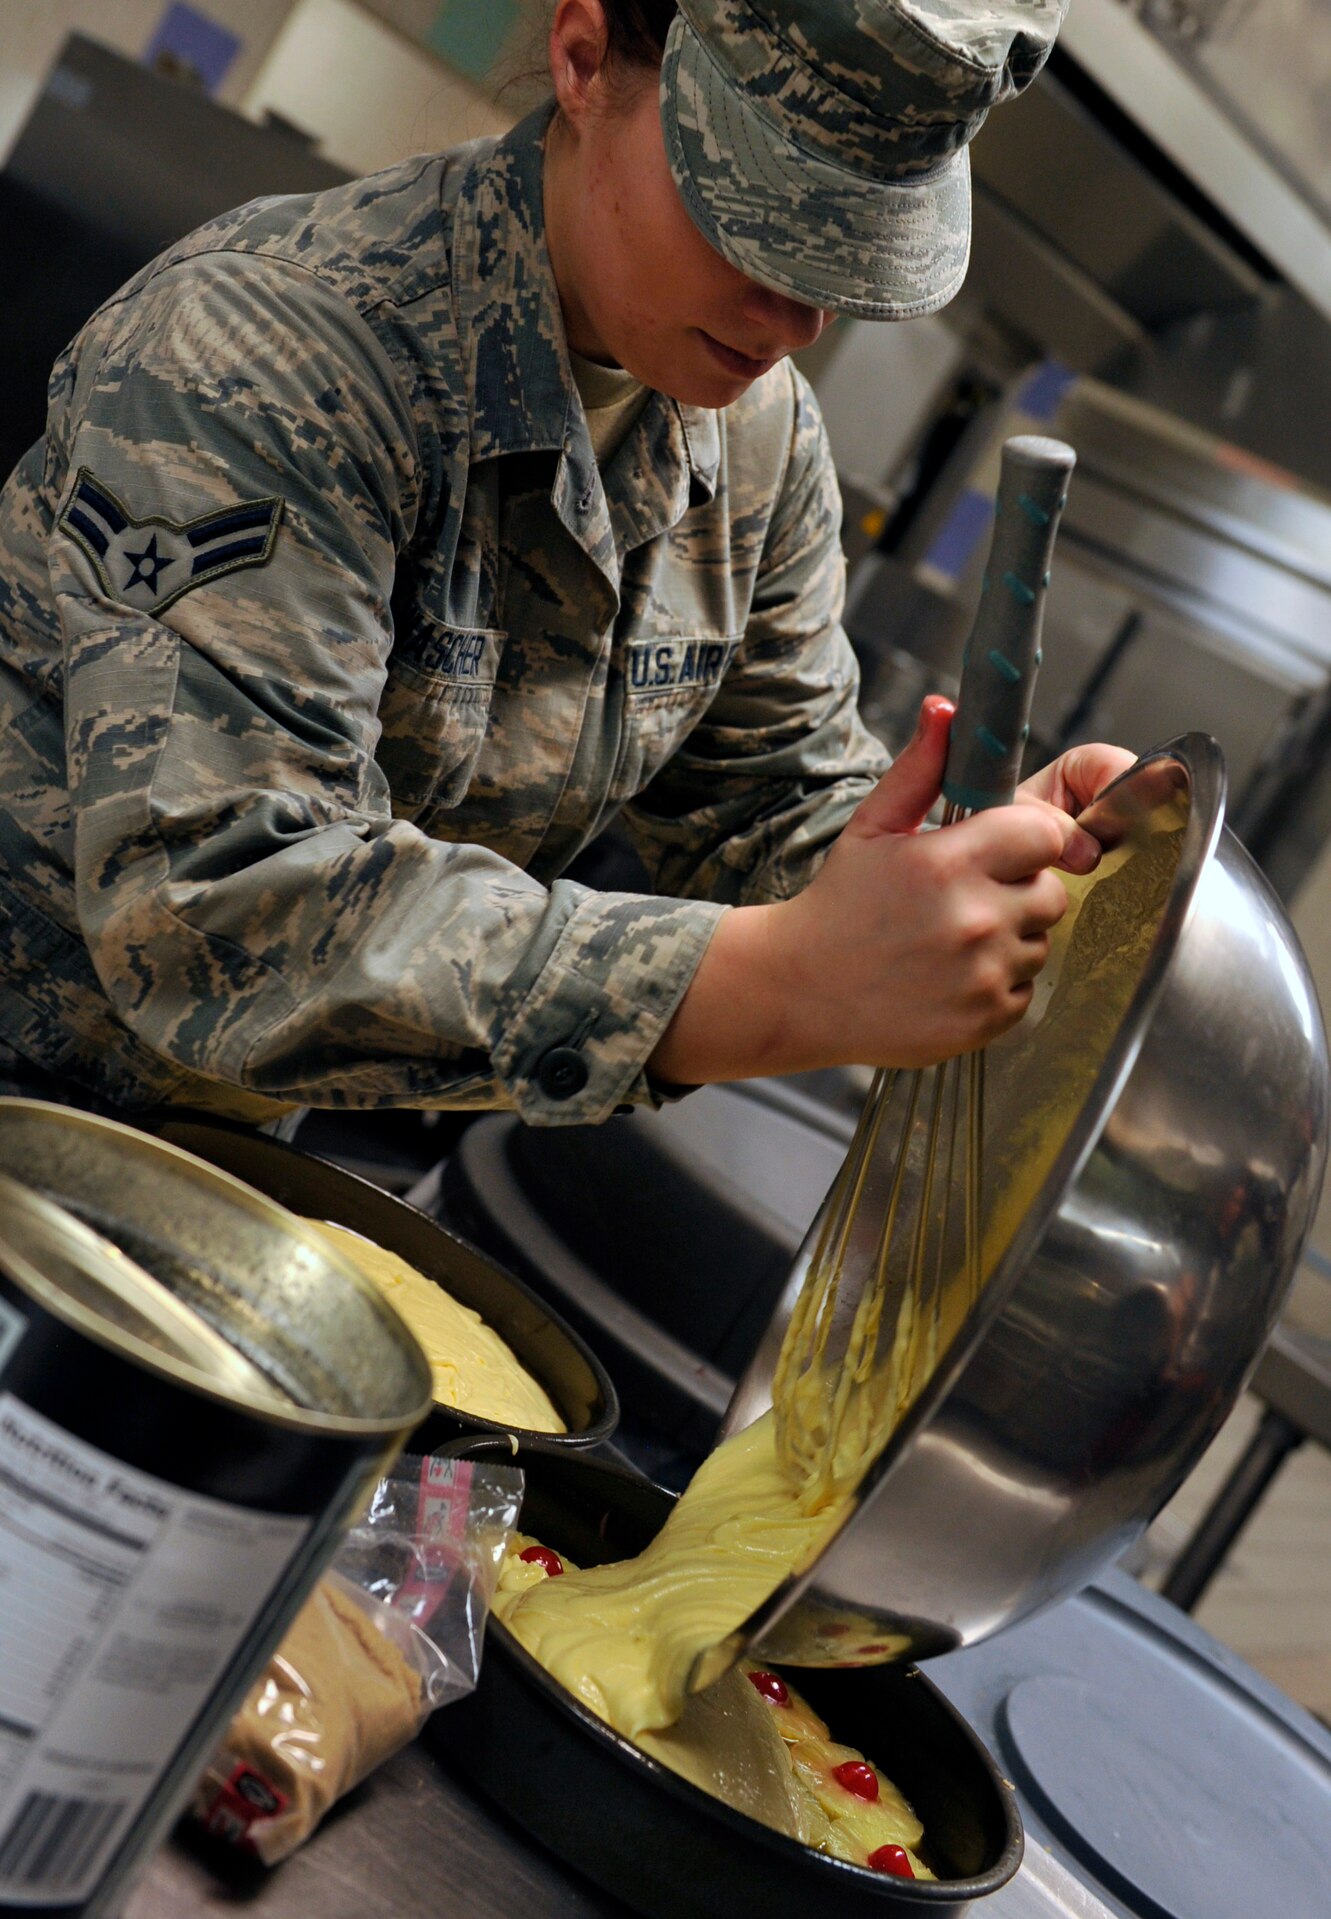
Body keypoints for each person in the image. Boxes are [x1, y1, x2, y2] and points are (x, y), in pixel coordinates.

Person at [0, 0, 1130, 1127]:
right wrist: (778, 979)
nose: (794, 318)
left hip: (211, 1144)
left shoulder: (755, 444)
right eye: (756, 219)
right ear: (583, 59)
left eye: (839, 255)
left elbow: (765, 803)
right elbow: (225, 902)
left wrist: (959, 879)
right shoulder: (271, 355)